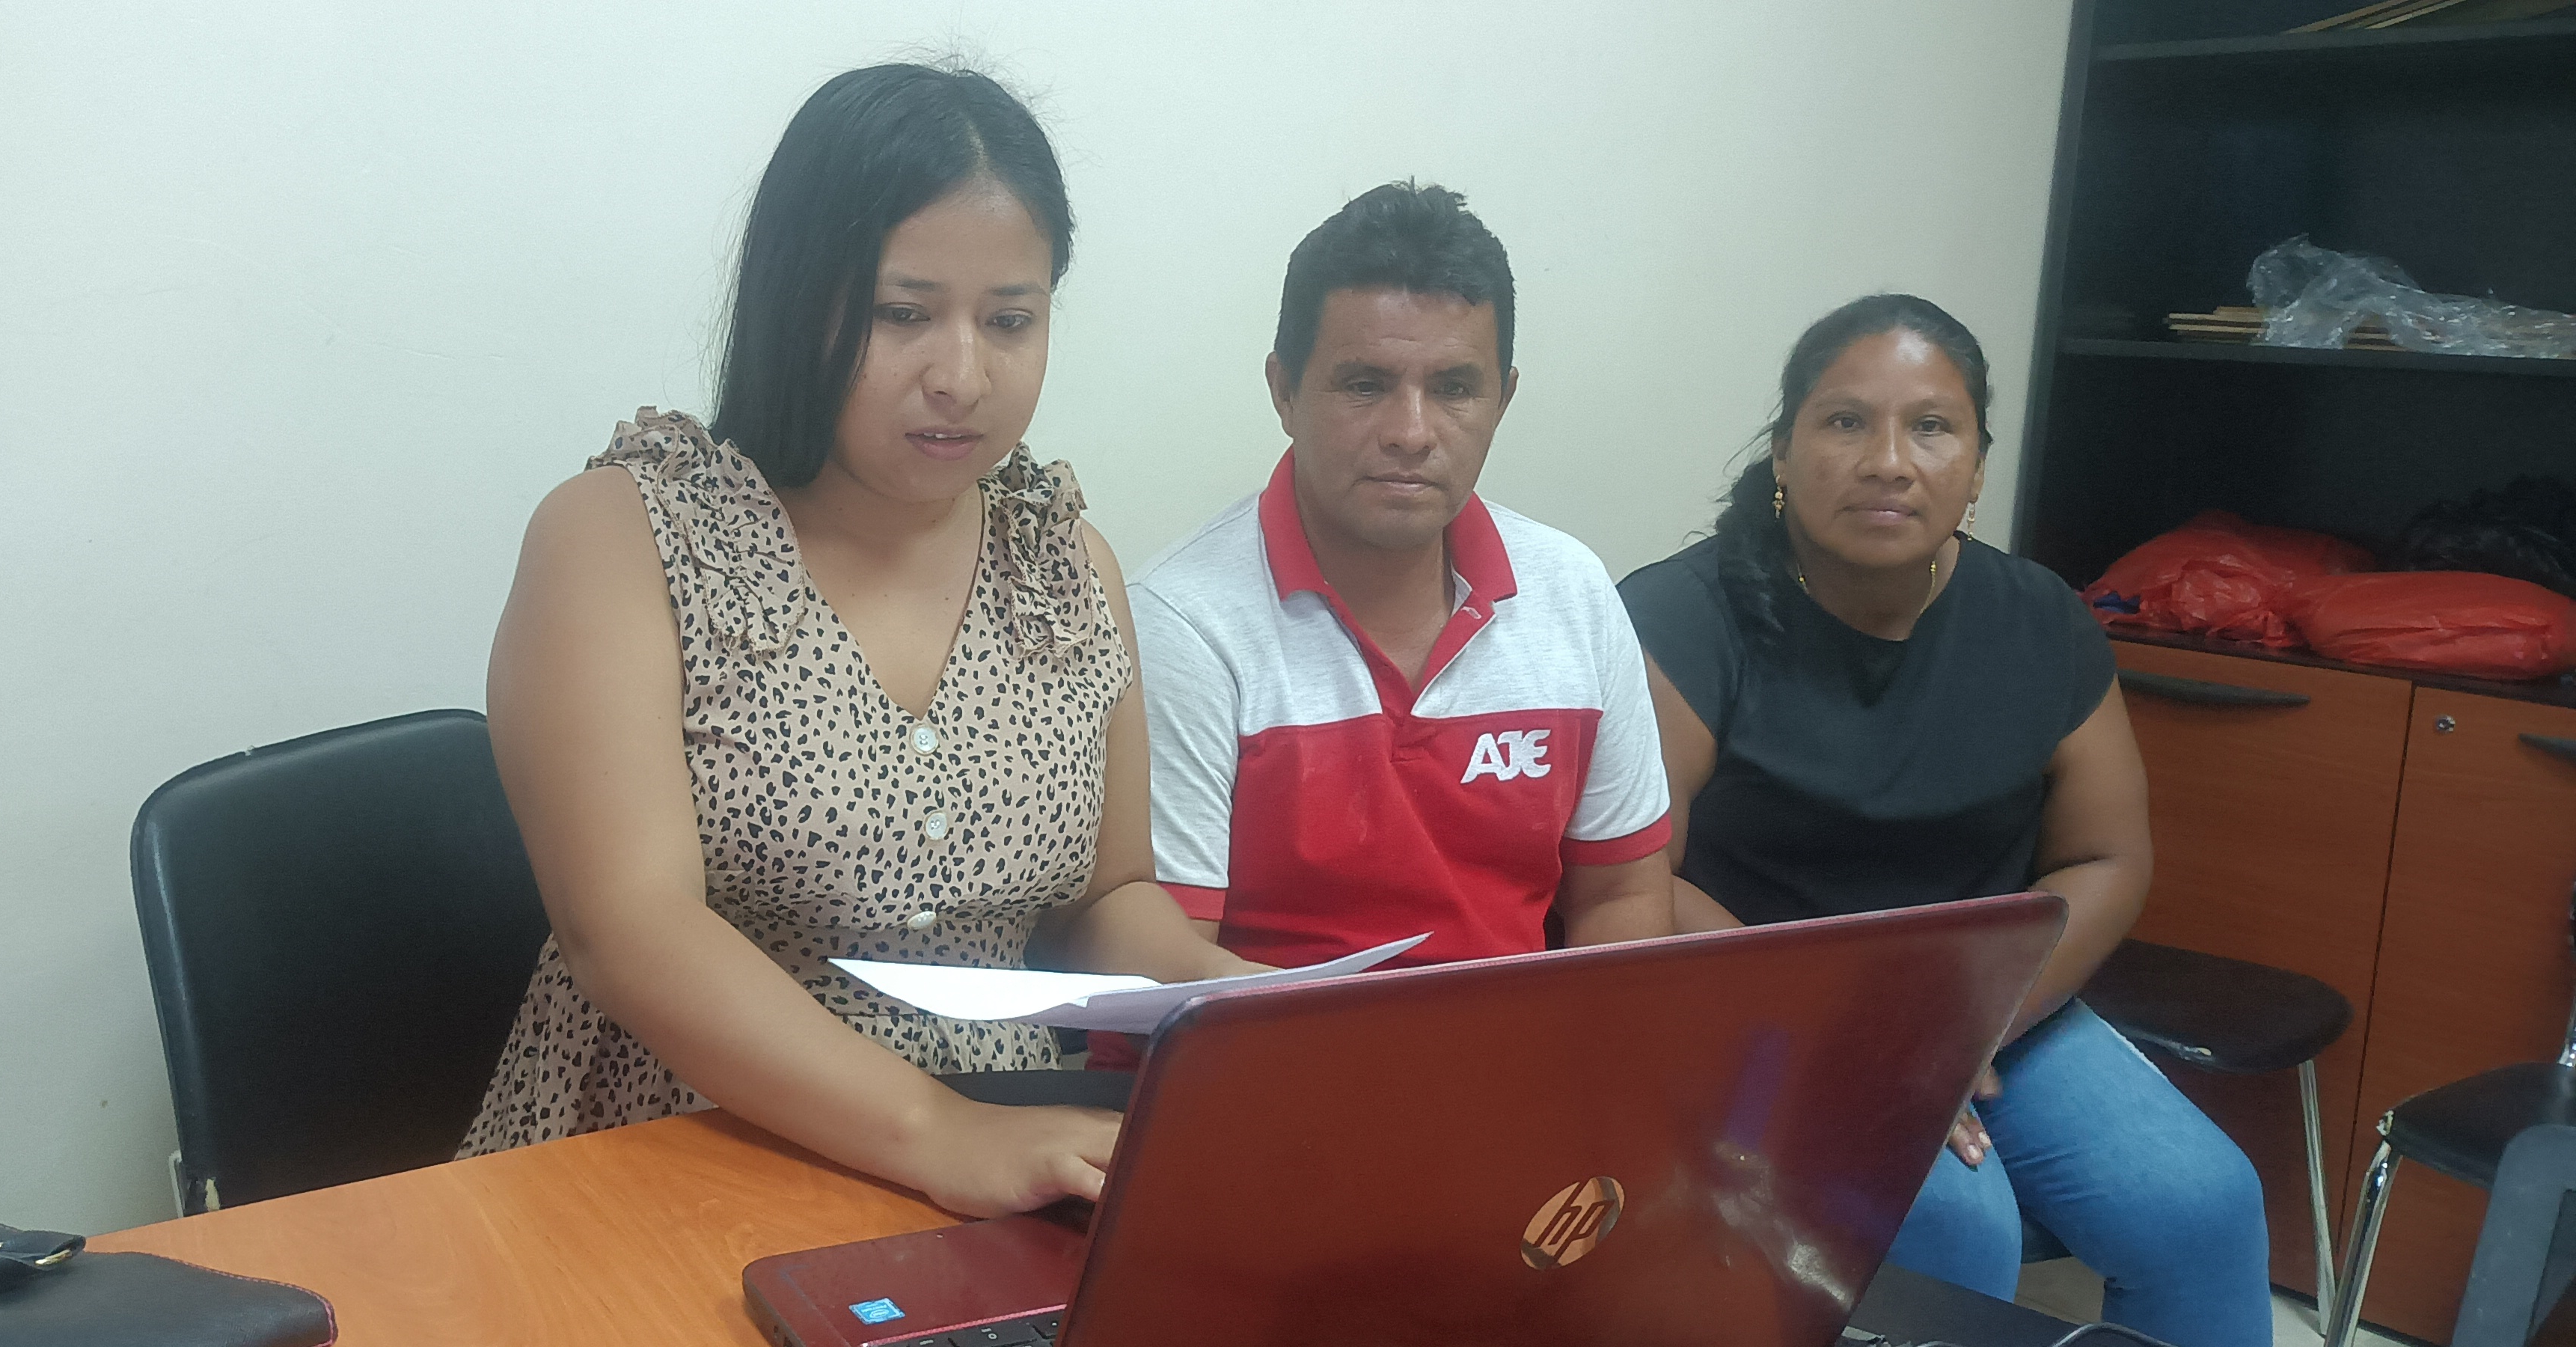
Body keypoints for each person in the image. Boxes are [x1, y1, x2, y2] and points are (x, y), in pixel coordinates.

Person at [457, 64, 1259, 1219]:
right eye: (902, 314)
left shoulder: (1063, 563)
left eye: (1011, 321)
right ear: (798, 299)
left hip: (1005, 1147)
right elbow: (628, 930)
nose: (962, 376)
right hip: (678, 1144)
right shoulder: (628, 537)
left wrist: (1243, 1001)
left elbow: (1103, 897)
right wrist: (938, 1131)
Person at [1615, 295, 2269, 1347]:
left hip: (1990, 1006)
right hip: (1765, 1015)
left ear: (1975, 468)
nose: (1888, 461)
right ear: (1783, 452)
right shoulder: (1678, 618)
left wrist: (1961, 1031)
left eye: (1930, 427)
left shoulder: (2039, 618)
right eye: (1845, 422)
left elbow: (2106, 856)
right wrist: (1860, 1040)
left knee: (2205, 1206)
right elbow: (1638, 874)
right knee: (1958, 1227)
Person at [1108, 182, 1673, 1059]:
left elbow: (1622, 899)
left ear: (1503, 399)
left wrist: (1581, 1080)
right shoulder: (1185, 623)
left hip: (1518, 1076)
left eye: (1454, 388)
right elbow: (1169, 967)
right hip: (1266, 1077)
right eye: (1365, 385)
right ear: (1283, 391)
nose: (1411, 432)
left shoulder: (1572, 593)